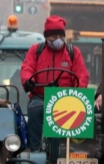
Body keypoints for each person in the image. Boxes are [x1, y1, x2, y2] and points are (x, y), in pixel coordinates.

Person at [20, 16, 89, 151]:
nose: (57, 39)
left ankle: (75, 149)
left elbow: (82, 74)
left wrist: (80, 89)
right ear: (47, 37)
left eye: (60, 36)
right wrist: (28, 81)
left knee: (79, 112)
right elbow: (27, 68)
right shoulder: (36, 51)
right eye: (53, 36)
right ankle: (34, 149)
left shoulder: (73, 52)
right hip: (41, 97)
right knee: (35, 109)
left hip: (66, 97)